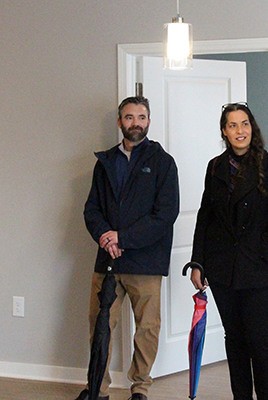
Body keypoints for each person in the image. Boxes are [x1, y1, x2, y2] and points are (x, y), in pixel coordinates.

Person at [188, 103, 268, 400]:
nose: (239, 131)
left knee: (258, 340)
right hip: (223, 270)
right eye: (232, 125)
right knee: (234, 340)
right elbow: (204, 217)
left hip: (261, 271)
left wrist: (261, 250)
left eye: (244, 124)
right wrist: (198, 262)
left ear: (252, 128)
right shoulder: (215, 167)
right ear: (224, 131)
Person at [78, 96, 180, 400]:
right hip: (107, 260)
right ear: (120, 121)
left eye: (141, 117)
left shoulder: (163, 162)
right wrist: (105, 237)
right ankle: (97, 389)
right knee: (100, 327)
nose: (135, 123)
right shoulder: (105, 162)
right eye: (129, 117)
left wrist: (123, 238)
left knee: (147, 329)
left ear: (149, 121)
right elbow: (91, 209)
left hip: (146, 261)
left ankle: (140, 389)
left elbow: (165, 215)